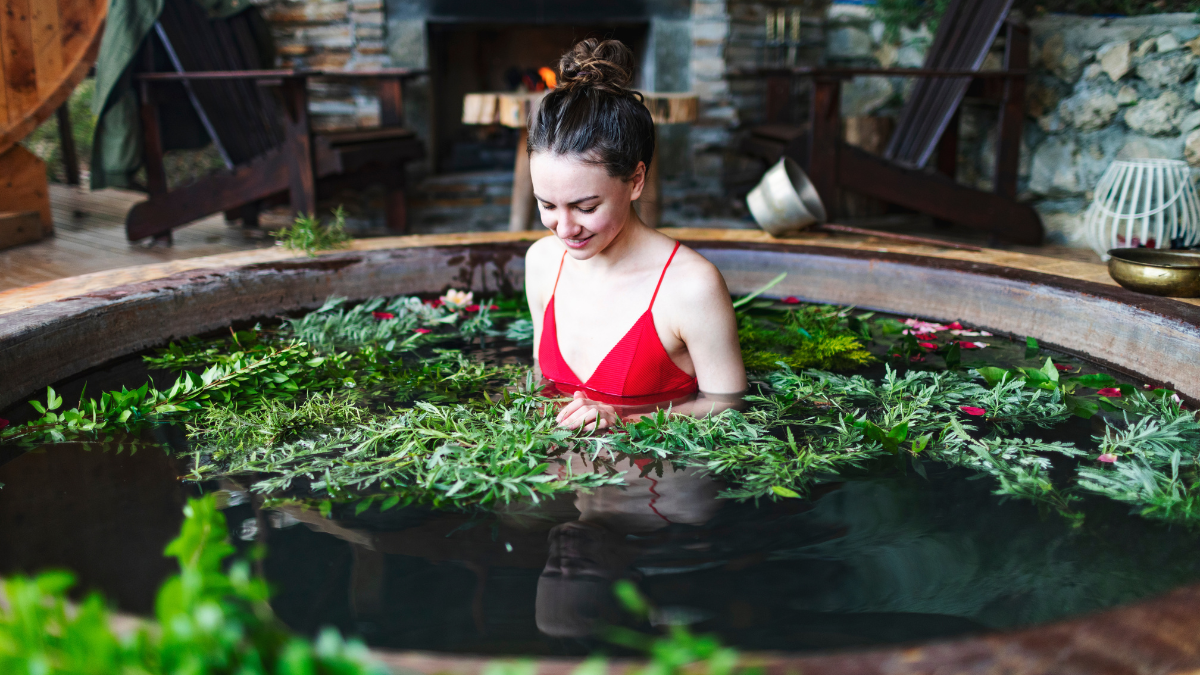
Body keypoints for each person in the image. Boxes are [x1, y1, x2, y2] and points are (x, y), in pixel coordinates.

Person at [524, 38, 746, 431]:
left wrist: (627, 422)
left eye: (586, 207)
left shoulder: (692, 286)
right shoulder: (541, 263)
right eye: (547, 205)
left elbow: (728, 406)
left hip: (662, 485)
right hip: (565, 475)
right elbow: (542, 386)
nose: (565, 228)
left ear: (636, 180)